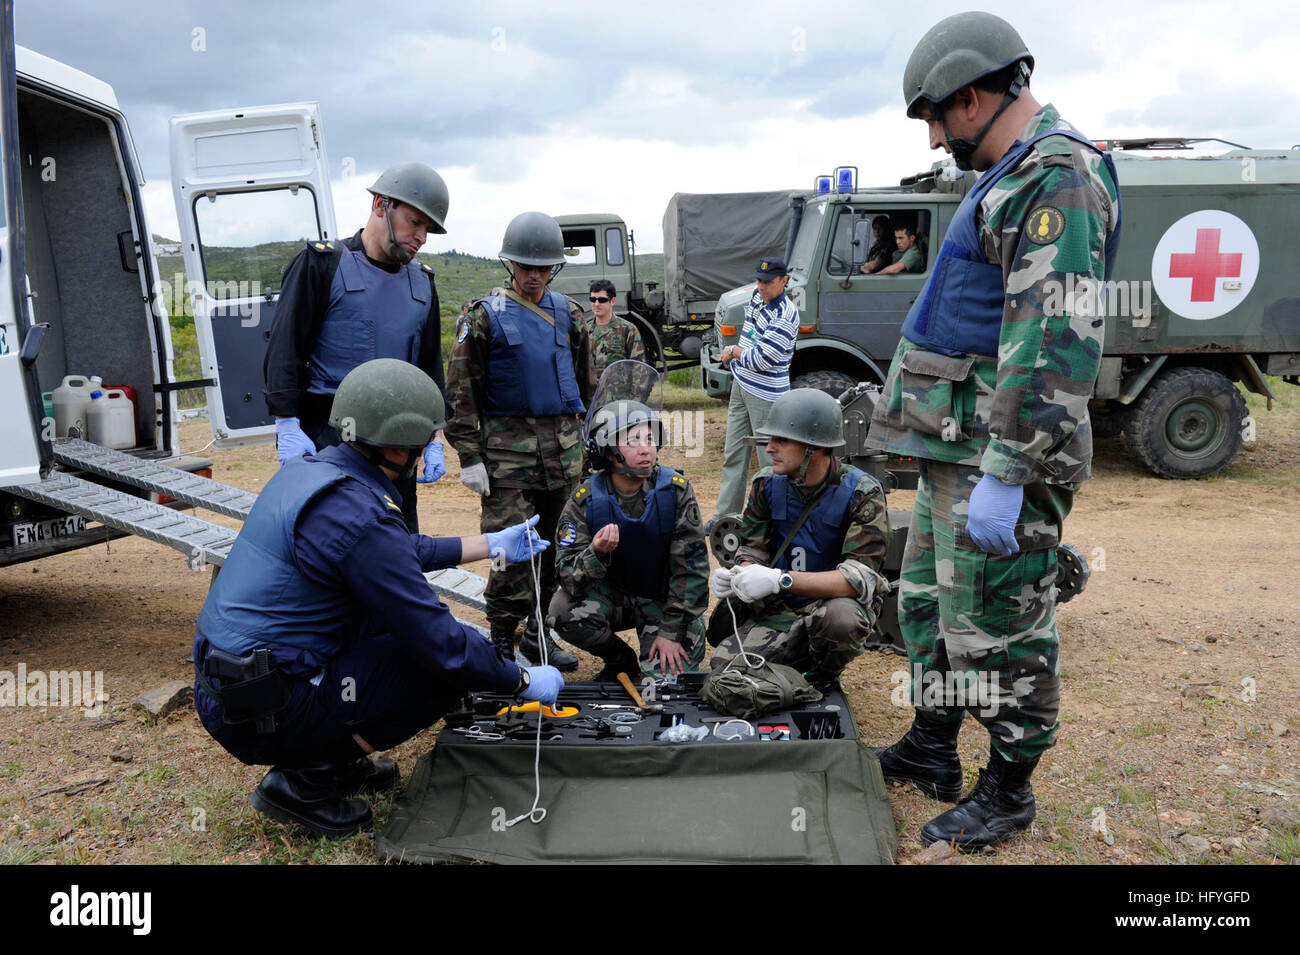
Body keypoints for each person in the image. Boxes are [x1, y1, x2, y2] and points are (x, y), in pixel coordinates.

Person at [868, 11, 1122, 852]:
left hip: (997, 454)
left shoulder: (1059, 178)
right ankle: (933, 748)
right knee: (930, 614)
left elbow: (1055, 336)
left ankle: (1007, 792)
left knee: (1002, 631)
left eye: (937, 118)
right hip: (956, 447)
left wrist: (1012, 468)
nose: (938, 139)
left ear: (972, 97)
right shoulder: (1009, 171)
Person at [193, 359, 563, 839]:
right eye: (426, 441)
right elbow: (439, 641)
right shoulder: (358, 515)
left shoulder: (315, 474)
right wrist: (519, 680)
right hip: (263, 706)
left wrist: (491, 544)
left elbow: (391, 552)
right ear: (396, 444)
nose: (429, 450)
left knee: (390, 630)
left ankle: (327, 759)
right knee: (443, 666)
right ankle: (306, 782)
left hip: (236, 684)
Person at [263, 162, 452, 532]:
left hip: (399, 441)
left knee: (396, 542)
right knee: (330, 540)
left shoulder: (423, 285)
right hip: (331, 436)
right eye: (415, 222)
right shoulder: (322, 265)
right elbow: (285, 348)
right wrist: (286, 423)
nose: (422, 237)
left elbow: (430, 368)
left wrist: (433, 436)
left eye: (428, 229)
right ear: (382, 205)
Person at [445, 211, 597, 671]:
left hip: (564, 456)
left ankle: (538, 635)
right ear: (510, 265)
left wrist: (594, 442)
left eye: (543, 268)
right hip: (506, 463)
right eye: (526, 267)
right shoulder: (483, 318)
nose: (534, 276)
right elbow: (461, 391)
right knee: (509, 554)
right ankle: (498, 643)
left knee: (558, 547)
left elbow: (585, 386)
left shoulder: (570, 315)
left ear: (555, 268)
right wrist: (469, 456)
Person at [708, 388, 890, 681]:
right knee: (725, 669)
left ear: (813, 447)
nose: (769, 448)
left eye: (781, 440)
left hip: (830, 607)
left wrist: (780, 579)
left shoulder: (861, 493)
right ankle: (791, 660)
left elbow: (858, 580)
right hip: (780, 610)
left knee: (843, 620)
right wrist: (739, 574)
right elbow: (753, 549)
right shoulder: (767, 485)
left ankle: (823, 675)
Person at [549, 395, 708, 681]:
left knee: (666, 684)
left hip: (665, 601)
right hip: (615, 598)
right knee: (562, 611)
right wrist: (595, 554)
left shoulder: (675, 492)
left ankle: (666, 644)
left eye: (650, 438)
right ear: (608, 450)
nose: (646, 448)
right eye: (633, 441)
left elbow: (692, 571)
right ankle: (619, 660)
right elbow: (568, 576)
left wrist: (671, 632)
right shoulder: (587, 499)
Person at [708, 257, 800, 528]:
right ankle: (724, 517)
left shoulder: (785, 314)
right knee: (733, 453)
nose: (761, 286)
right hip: (742, 384)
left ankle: (773, 521)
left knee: (770, 461)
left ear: (784, 281)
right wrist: (740, 354)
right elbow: (748, 334)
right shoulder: (758, 300)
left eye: (767, 282)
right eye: (758, 280)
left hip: (765, 395)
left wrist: (734, 352)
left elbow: (763, 359)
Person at [586, 279, 646, 380]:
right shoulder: (584, 331)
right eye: (593, 299)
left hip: (620, 394)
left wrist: (635, 395)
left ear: (612, 301)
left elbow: (639, 369)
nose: (596, 304)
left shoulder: (628, 330)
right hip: (592, 395)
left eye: (602, 300)